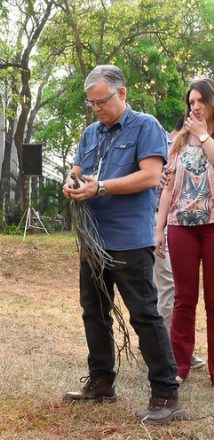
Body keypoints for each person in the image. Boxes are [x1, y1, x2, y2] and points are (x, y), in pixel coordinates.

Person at [62, 65, 182, 424]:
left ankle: (166, 394)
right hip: (93, 238)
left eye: (102, 101)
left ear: (122, 93)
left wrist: (100, 187)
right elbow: (79, 170)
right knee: (93, 312)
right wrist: (73, 182)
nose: (97, 108)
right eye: (92, 103)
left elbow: (149, 176)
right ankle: (100, 383)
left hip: (130, 239)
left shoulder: (145, 126)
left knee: (144, 315)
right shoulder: (90, 133)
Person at [156, 78, 214, 385]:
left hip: (213, 228)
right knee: (183, 300)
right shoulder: (178, 142)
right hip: (181, 228)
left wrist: (203, 135)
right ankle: (179, 368)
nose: (195, 107)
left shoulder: (206, 135)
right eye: (191, 103)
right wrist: (159, 229)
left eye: (200, 101)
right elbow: (166, 190)